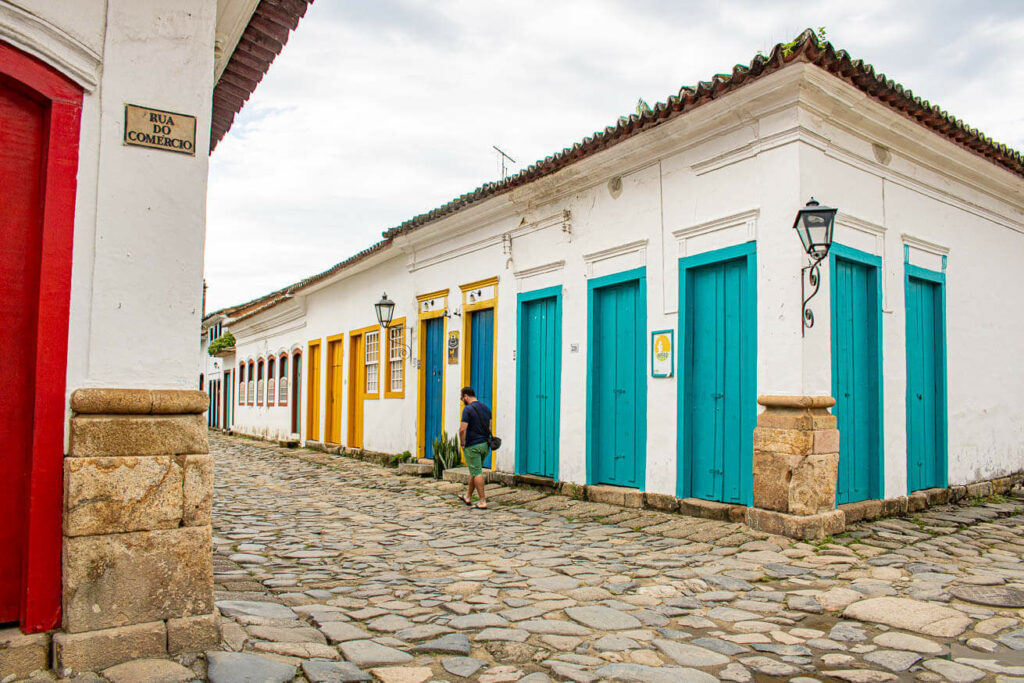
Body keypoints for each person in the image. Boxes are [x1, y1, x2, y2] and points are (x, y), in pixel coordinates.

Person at [458, 386, 491, 510]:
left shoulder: (467, 410)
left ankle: (482, 501)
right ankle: (467, 496)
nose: (462, 400)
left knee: (476, 472)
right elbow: (490, 427)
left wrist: (462, 443)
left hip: (473, 445)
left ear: (466, 396)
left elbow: (462, 429)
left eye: (462, 398)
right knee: (475, 469)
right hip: (484, 445)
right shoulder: (486, 408)